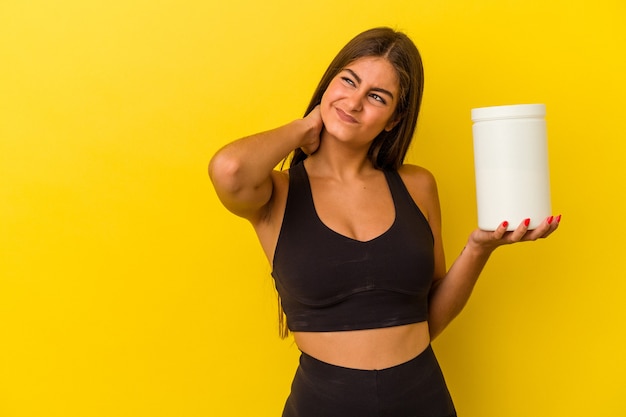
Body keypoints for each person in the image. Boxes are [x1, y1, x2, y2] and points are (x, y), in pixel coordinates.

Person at [209, 27, 560, 417]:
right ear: (328, 83)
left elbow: (429, 316)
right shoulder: (278, 193)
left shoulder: (417, 185)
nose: (355, 103)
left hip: (423, 399)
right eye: (348, 81)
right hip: (323, 405)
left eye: (377, 97)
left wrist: (480, 247)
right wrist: (305, 128)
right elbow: (229, 169)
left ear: (394, 119)